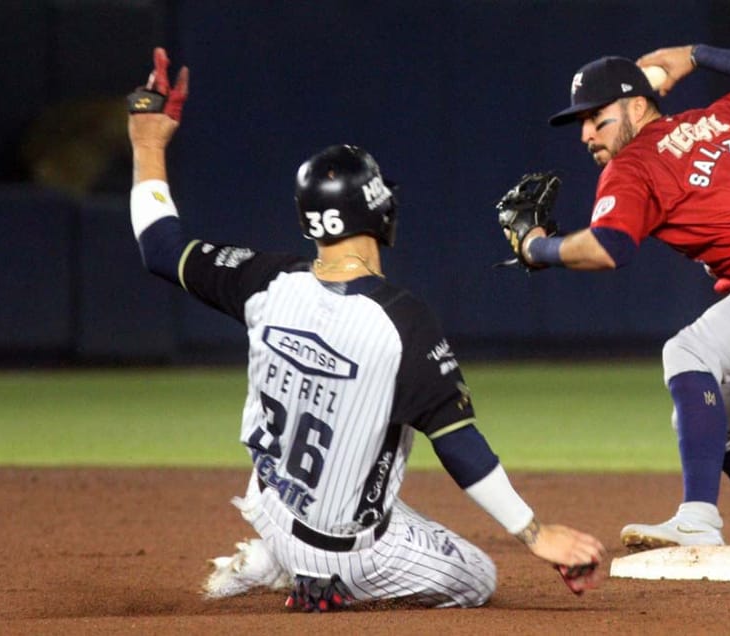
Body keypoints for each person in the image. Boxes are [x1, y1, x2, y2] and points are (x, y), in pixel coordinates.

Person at [125, 47, 604, 611]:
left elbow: (160, 248)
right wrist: (534, 533)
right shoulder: (402, 321)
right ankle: (325, 586)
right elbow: (459, 444)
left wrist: (147, 142)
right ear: (378, 210)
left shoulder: (264, 281)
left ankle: (273, 558)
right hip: (347, 553)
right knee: (480, 577)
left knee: (328, 473)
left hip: (271, 505)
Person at [503, 43, 730, 554]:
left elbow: (609, 248)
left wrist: (539, 247)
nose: (585, 134)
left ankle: (697, 519)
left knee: (687, 353)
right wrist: (696, 55)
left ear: (636, 105)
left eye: (595, 118)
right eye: (580, 122)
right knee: (714, 417)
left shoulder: (632, 166)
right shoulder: (723, 118)